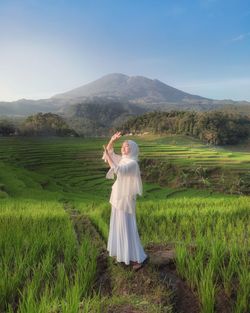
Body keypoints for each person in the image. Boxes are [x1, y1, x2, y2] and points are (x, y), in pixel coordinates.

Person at [102, 131, 148, 271]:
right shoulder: (123, 159)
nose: (123, 148)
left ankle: (136, 259)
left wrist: (108, 155)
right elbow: (107, 155)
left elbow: (118, 170)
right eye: (122, 146)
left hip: (126, 200)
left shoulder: (133, 163)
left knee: (127, 227)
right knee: (117, 226)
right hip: (117, 197)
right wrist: (112, 140)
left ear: (133, 149)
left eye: (126, 146)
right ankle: (122, 255)